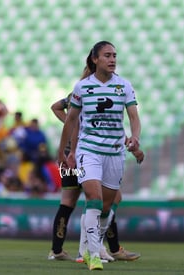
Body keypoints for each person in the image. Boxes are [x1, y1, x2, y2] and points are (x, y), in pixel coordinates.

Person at [57, 41, 141, 270]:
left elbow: (133, 117)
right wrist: (64, 150)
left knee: (106, 206)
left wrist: (135, 138)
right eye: (107, 55)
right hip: (88, 150)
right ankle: (93, 255)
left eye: (114, 55)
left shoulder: (124, 86)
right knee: (92, 199)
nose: (112, 59)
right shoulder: (82, 87)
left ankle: (90, 247)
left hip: (114, 152)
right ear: (95, 59)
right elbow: (71, 120)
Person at [49, 93, 142, 263]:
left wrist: (69, 124)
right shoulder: (97, 94)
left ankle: (56, 249)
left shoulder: (74, 95)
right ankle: (105, 248)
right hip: (85, 154)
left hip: (70, 154)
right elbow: (107, 128)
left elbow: (55, 107)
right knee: (104, 199)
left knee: (68, 202)